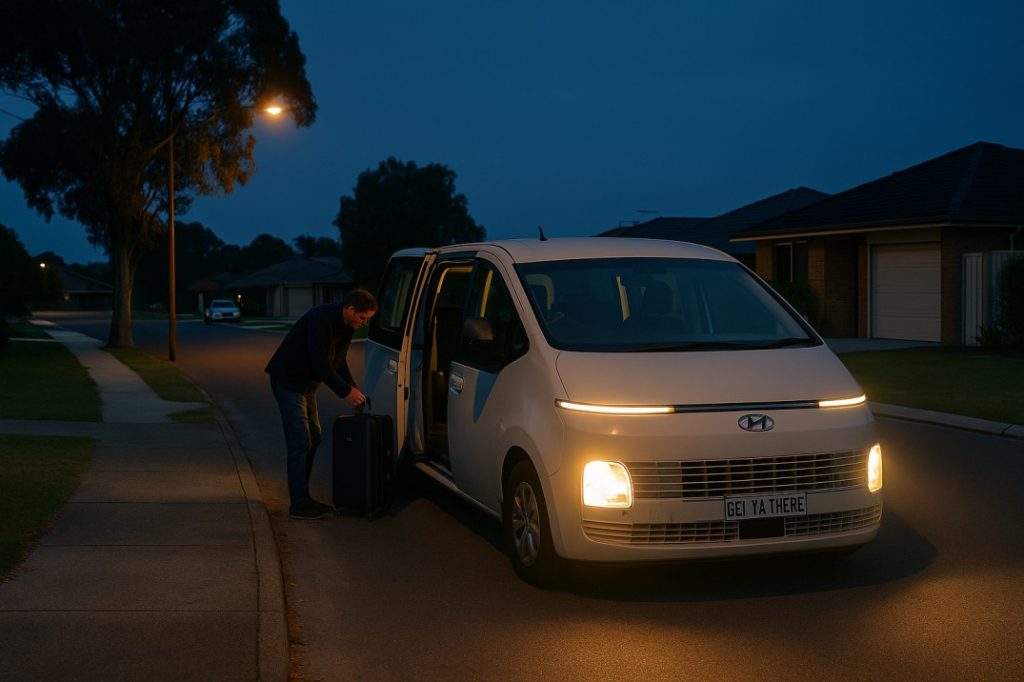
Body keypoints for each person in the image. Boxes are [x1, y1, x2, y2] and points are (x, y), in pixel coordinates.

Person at [265, 289, 378, 519]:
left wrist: (354, 389)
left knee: (314, 437)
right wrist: (345, 392)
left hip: (307, 385)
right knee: (300, 441)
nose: (363, 323)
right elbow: (320, 363)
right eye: (362, 317)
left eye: (367, 319)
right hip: (288, 381)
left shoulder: (347, 327)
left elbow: (338, 362)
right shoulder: (320, 319)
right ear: (350, 309)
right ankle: (299, 504)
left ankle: (303, 496)